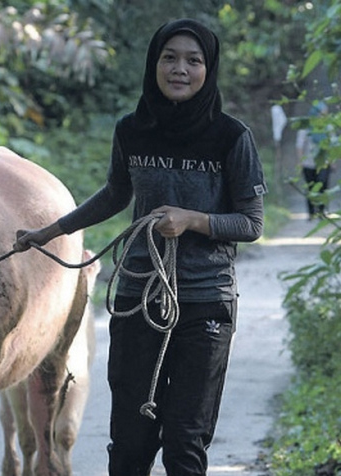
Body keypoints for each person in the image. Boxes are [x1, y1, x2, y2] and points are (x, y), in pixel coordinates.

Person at [14, 18, 267, 476]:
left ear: (209, 69)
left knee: (185, 443)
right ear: (154, 64)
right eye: (169, 58)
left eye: (194, 60)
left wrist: (191, 220)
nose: (180, 69)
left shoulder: (232, 137)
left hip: (206, 302)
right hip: (138, 300)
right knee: (130, 442)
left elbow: (250, 223)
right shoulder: (132, 130)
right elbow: (115, 194)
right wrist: (49, 231)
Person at [296, 101, 332, 219]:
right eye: (322, 113)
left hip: (324, 163)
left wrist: (332, 161)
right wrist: (300, 161)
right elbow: (300, 146)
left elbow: (331, 145)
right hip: (308, 163)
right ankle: (311, 212)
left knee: (323, 186)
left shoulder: (328, 127)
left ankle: (322, 211)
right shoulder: (306, 128)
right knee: (311, 188)